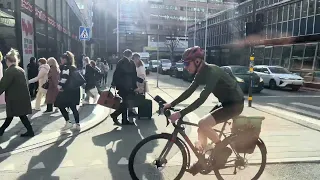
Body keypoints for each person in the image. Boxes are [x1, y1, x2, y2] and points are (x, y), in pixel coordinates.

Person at [164, 46, 245, 175]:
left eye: (187, 63)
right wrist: (172, 104)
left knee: (203, 124)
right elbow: (189, 91)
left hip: (235, 104)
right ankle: (203, 160)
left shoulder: (212, 72)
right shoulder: (200, 73)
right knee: (201, 128)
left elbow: (201, 99)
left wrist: (180, 113)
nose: (185, 67)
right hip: (226, 103)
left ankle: (224, 149)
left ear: (197, 61)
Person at [0, 49, 34, 137]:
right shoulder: (20, 69)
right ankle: (30, 131)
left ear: (7, 61)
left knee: (12, 115)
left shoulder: (10, 71)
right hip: (22, 97)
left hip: (14, 98)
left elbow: (3, 85)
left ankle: (1, 131)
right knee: (20, 115)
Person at [55, 51, 81, 131]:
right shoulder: (73, 67)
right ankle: (77, 124)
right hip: (75, 90)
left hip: (67, 91)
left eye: (62, 59)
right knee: (73, 107)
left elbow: (64, 78)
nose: (61, 61)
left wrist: (59, 86)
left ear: (65, 59)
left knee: (59, 104)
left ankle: (68, 122)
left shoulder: (66, 67)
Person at [111, 49, 138, 125]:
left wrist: (114, 84)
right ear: (131, 55)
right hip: (127, 87)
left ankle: (120, 118)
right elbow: (133, 75)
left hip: (124, 86)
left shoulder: (121, 62)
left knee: (125, 103)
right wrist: (135, 85)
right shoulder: (130, 63)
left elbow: (116, 74)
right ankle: (118, 117)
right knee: (125, 103)